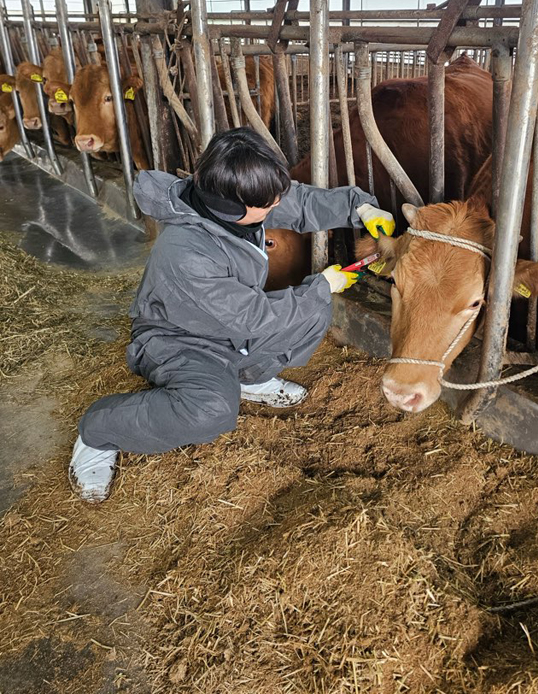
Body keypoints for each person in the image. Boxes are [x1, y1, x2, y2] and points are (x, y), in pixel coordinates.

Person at [69, 127, 395, 503]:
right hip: (179, 338)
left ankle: (248, 378)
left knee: (311, 310)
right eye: (268, 204)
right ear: (232, 207)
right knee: (211, 412)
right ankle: (99, 431)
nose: (277, 206)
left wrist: (359, 207)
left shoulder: (234, 199)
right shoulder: (186, 251)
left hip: (228, 326)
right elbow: (252, 317)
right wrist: (321, 286)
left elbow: (301, 203)